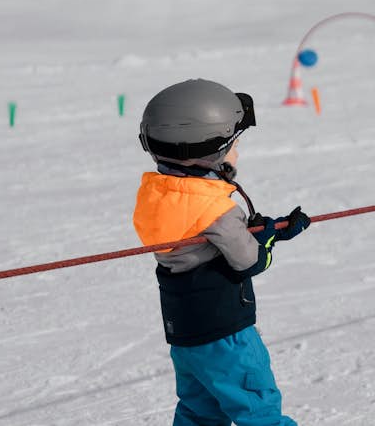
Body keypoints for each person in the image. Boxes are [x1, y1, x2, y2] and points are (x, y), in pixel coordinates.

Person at [132, 78, 310, 425]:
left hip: (185, 334)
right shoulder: (216, 210)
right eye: (233, 145)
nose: (237, 153)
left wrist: (265, 231)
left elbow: (196, 237)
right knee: (256, 406)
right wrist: (268, 239)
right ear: (208, 150)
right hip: (225, 332)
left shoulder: (155, 195)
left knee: (199, 410)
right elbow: (250, 261)